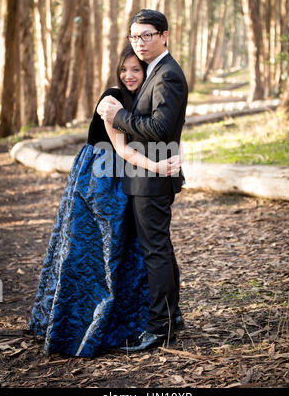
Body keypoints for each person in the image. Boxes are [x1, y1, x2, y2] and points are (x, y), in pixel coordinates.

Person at [29, 44, 181, 358]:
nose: (129, 75)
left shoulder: (141, 96)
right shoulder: (111, 99)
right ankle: (76, 324)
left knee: (129, 250)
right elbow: (123, 150)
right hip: (98, 179)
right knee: (90, 252)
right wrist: (159, 166)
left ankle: (145, 320)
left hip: (124, 175)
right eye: (124, 70)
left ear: (146, 71)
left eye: (136, 70)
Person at [97, 9, 188, 353]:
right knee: (159, 247)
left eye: (147, 35)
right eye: (135, 36)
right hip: (146, 174)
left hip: (153, 176)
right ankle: (172, 314)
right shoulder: (153, 71)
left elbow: (161, 129)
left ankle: (159, 328)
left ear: (164, 35)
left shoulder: (168, 75)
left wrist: (118, 117)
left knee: (155, 251)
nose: (140, 42)